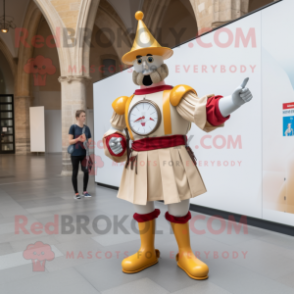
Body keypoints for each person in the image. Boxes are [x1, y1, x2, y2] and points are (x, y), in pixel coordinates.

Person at [103, 11, 253, 280]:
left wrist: (233, 100)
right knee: (142, 205)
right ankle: (146, 250)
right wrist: (114, 142)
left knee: (179, 207)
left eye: (149, 59)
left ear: (160, 60)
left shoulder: (176, 94)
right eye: (140, 60)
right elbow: (115, 132)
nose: (145, 66)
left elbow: (203, 110)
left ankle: (185, 253)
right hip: (139, 159)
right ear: (134, 67)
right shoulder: (124, 103)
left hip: (173, 156)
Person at [68, 110, 92, 199]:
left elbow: (90, 142)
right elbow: (70, 141)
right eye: (82, 116)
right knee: (75, 172)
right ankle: (76, 193)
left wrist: (86, 140)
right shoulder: (73, 127)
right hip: (75, 154)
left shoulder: (87, 128)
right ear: (77, 117)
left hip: (84, 154)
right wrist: (78, 139)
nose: (84, 117)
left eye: (85, 116)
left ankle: (85, 191)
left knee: (86, 171)